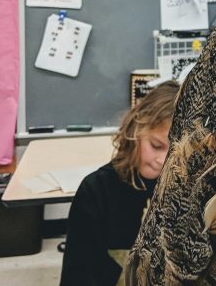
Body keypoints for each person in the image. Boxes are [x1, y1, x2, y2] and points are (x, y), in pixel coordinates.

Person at [60, 80, 180, 286]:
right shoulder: (96, 191)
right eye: (156, 145)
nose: (163, 160)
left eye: (175, 152)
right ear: (136, 129)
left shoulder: (188, 190)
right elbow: (78, 276)